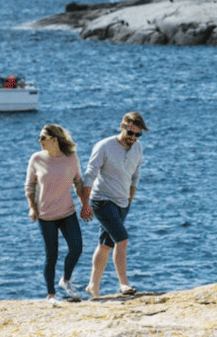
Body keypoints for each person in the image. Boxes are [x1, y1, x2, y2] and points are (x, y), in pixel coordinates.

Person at [82, 112, 147, 298]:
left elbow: (136, 175)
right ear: (122, 127)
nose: (133, 138)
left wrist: (129, 200)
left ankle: (92, 286)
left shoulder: (138, 148)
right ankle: (124, 284)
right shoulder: (105, 146)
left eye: (137, 135)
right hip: (102, 200)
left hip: (122, 202)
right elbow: (90, 174)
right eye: (130, 133)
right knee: (122, 239)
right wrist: (85, 204)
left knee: (105, 245)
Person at [25, 124, 93, 304]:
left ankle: (66, 280)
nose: (39, 141)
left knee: (76, 248)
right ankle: (51, 295)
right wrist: (32, 207)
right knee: (51, 256)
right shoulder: (36, 159)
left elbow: (78, 183)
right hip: (46, 215)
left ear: (54, 140)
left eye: (43, 138)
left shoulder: (70, 158)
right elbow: (30, 186)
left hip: (67, 212)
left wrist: (85, 205)